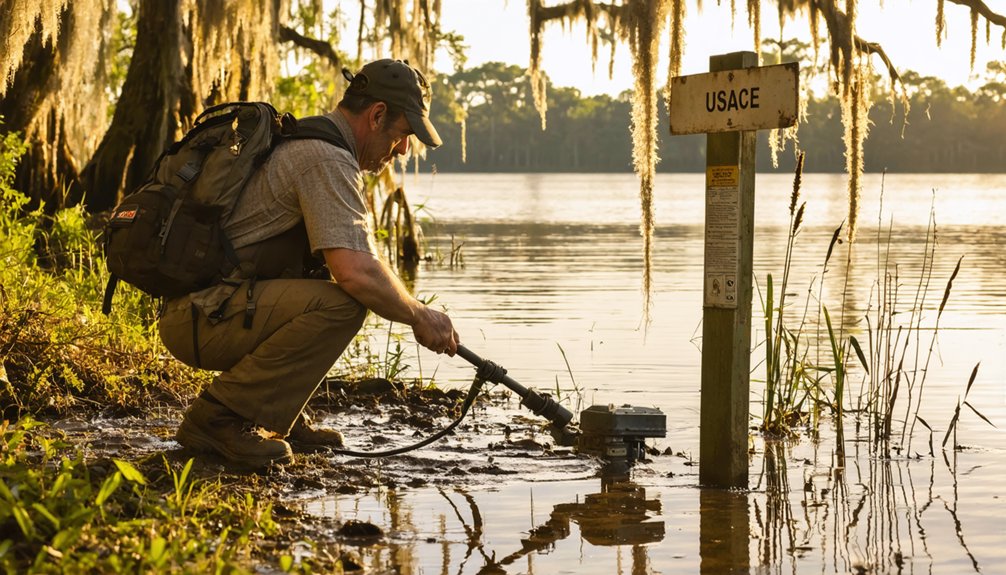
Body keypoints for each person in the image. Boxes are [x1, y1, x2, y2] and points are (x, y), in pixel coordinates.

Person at [157, 59, 459, 468]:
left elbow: (357, 260)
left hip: (203, 311)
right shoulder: (326, 159)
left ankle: (274, 415)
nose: (403, 149)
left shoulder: (316, 144)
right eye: (404, 134)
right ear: (377, 115)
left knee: (329, 291)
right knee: (344, 303)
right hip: (200, 318)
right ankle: (218, 418)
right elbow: (356, 272)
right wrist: (419, 315)